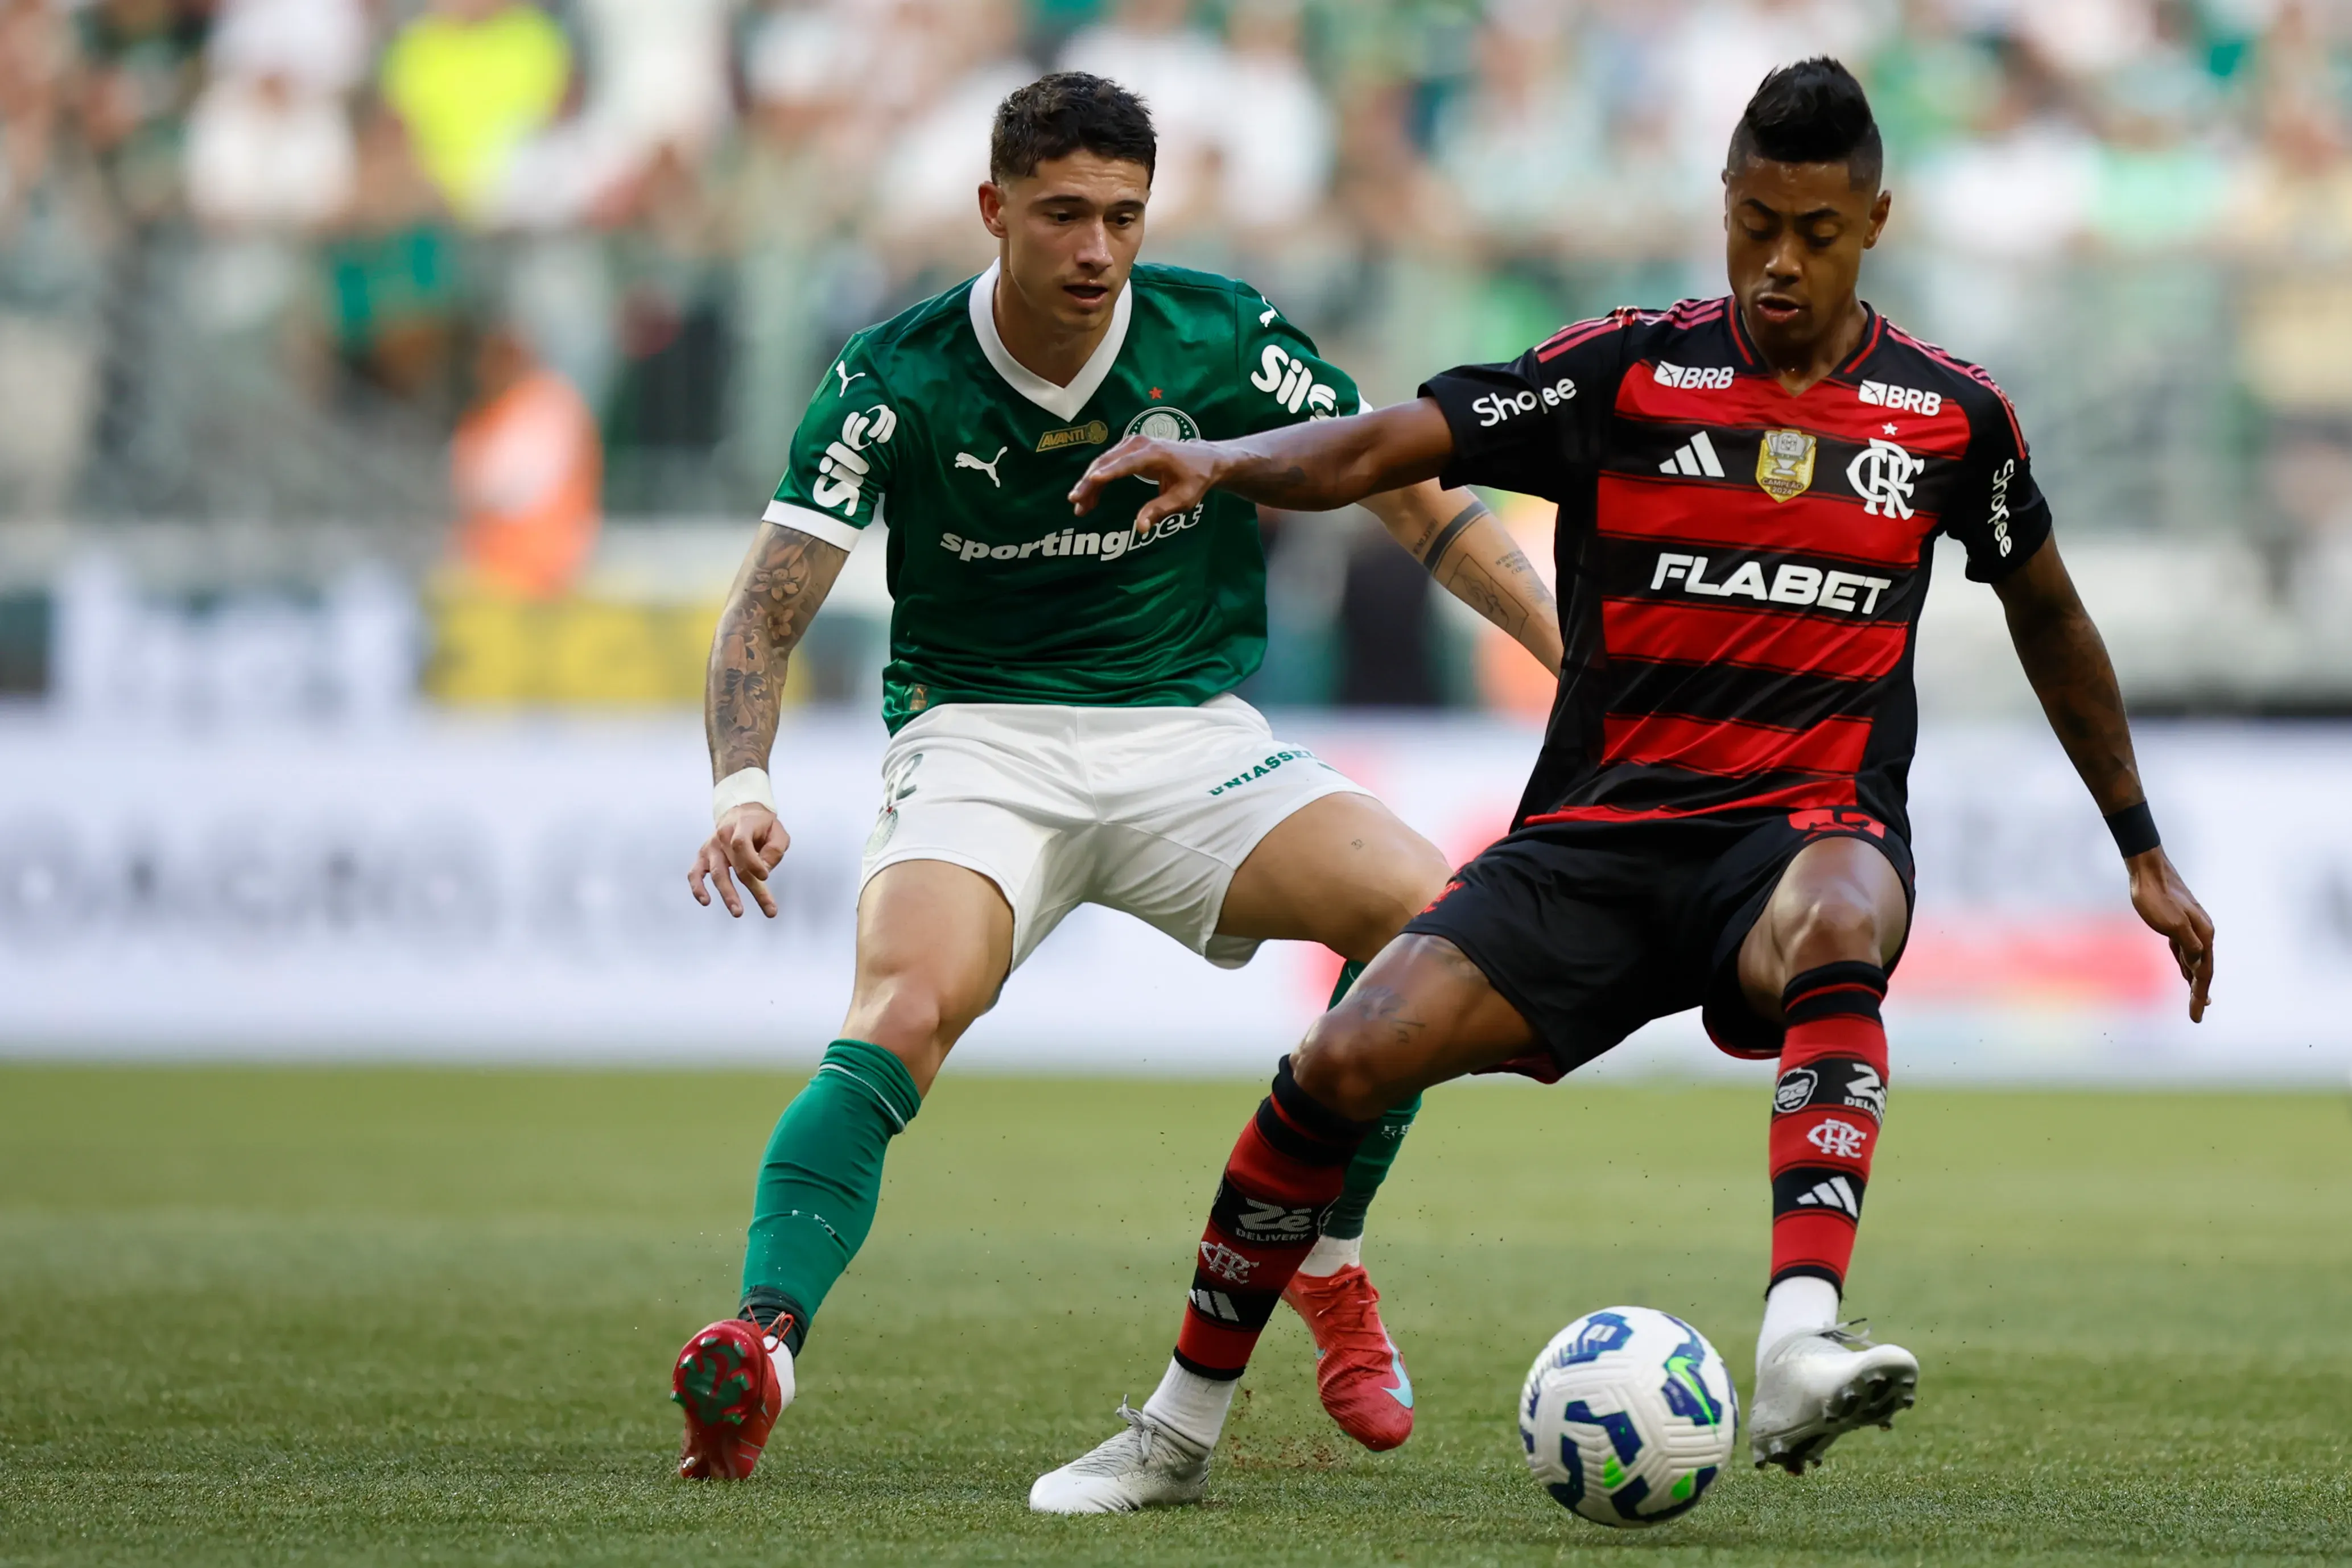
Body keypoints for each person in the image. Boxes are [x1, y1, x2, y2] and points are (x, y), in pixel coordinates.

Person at [1033, 57, 2216, 1513]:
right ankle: (1175, 1428)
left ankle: (1797, 1335)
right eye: (1756, 223)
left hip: (1795, 832)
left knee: (1851, 905)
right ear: (1723, 204)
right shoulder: (1626, 373)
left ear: (1876, 222)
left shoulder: (1950, 418)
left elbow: (2052, 616)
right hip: (1593, 842)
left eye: (1819, 233)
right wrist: (1222, 457)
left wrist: (2141, 846)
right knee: (1342, 1061)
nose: (1782, 263)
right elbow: (1382, 443)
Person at [670, 73, 1563, 1482]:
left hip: (1186, 736)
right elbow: (763, 614)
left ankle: (1328, 1255)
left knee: (1426, 923)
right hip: (979, 740)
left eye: (1123, 217)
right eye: (1065, 214)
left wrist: (1574, 655)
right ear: (994, 210)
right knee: (905, 1009)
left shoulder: (1220, 334)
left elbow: (1416, 498)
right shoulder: (891, 375)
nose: (1097, 249)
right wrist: (743, 784)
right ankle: (760, 1343)